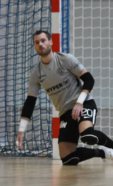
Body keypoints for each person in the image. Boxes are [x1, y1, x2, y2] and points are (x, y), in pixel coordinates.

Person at [16, 30, 113, 165]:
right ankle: (104, 152)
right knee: (68, 159)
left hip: (83, 103)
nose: (40, 44)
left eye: (43, 40)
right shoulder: (36, 74)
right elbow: (30, 102)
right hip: (66, 112)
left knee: (87, 136)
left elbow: (89, 80)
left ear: (51, 42)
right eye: (37, 42)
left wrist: (79, 102)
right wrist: (21, 130)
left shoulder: (65, 59)